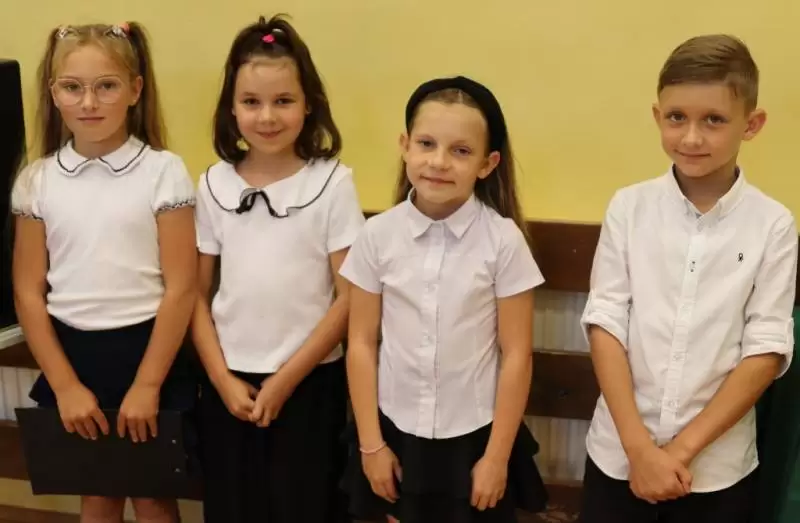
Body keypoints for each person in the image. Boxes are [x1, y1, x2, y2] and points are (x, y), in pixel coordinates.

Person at [578, 34, 798, 523]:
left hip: (716, 470)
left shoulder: (774, 225)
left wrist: (678, 452)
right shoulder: (629, 208)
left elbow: (765, 348)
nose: (692, 138)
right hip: (618, 456)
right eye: (677, 117)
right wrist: (640, 450)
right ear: (658, 116)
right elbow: (606, 323)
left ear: (752, 124)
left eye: (714, 120)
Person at [340, 75, 549, 523]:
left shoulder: (502, 241)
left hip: (475, 438)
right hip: (394, 433)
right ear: (405, 146)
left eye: (461, 151)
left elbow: (516, 355)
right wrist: (371, 445)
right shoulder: (377, 236)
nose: (438, 162)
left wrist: (496, 458)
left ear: (487, 164)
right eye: (426, 144)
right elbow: (360, 343)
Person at [11, 22, 197, 523]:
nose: (89, 102)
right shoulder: (37, 181)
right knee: (97, 495)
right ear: (54, 94)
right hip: (72, 356)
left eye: (106, 86)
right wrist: (65, 385)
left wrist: (148, 384)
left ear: (135, 90)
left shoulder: (163, 172)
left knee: (152, 498)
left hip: (149, 349)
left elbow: (182, 287)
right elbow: (28, 292)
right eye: (73, 87)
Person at [191, 14, 365, 523]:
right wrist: (221, 378)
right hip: (229, 383)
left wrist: (286, 379)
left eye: (283, 101)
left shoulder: (332, 183)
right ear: (231, 108)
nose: (267, 116)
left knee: (305, 504)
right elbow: (194, 295)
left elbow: (350, 297)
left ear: (308, 104)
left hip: (310, 381)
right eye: (251, 102)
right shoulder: (213, 185)